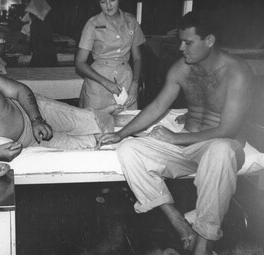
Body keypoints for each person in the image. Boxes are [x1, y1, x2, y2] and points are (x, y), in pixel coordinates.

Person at [97, 11, 254, 255]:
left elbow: (228, 130)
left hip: (222, 149)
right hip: (187, 148)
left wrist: (175, 137)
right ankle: (179, 224)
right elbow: (158, 106)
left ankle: (204, 240)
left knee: (221, 149)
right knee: (129, 150)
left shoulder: (237, 72)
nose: (181, 48)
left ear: (209, 41)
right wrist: (122, 134)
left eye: (188, 42)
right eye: (181, 41)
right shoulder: (182, 68)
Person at [0, 50, 112, 168]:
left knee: (94, 121)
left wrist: (37, 120)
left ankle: (111, 113)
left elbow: (20, 90)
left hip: (34, 111)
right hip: (28, 141)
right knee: (88, 145)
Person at [76, 0, 146, 115]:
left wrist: (135, 84)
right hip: (98, 82)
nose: (108, 6)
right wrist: (106, 82)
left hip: (125, 80)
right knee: (95, 123)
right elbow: (80, 62)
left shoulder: (131, 21)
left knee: (126, 122)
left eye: (112, 0)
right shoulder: (92, 24)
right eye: (103, 2)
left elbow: (137, 58)